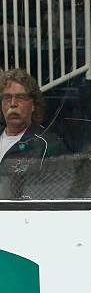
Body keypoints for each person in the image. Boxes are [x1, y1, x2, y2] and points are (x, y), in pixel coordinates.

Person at [0, 68, 69, 198]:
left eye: (20, 97)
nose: (13, 104)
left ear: (33, 105)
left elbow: (57, 195)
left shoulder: (48, 144)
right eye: (7, 98)